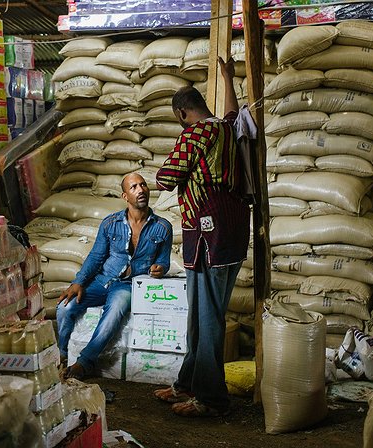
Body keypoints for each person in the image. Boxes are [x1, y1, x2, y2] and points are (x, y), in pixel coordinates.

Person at [153, 57, 251, 417]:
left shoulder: (195, 134)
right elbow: (232, 113)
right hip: (232, 232)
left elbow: (166, 178)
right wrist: (228, 77)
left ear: (182, 113)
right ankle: (187, 383)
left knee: (207, 318)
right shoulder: (228, 128)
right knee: (203, 313)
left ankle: (211, 399)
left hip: (208, 234)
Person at [56, 172, 173, 379]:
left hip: (129, 285)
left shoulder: (163, 227)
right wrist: (78, 282)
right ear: (125, 196)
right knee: (65, 307)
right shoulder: (110, 223)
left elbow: (164, 260)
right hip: (103, 280)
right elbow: (96, 256)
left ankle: (84, 362)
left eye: (143, 185)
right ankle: (62, 355)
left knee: (116, 309)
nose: (141, 190)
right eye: (134, 187)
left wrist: (161, 268)